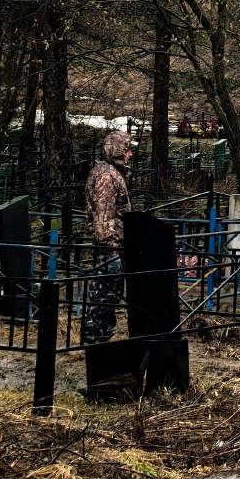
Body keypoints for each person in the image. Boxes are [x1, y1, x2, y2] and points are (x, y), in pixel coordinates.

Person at [82, 129, 133, 343]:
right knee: (103, 294)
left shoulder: (111, 172)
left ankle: (102, 337)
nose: (130, 154)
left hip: (113, 243)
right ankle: (95, 337)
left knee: (109, 295)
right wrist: (109, 244)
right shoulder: (106, 175)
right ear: (117, 150)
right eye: (127, 149)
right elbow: (104, 214)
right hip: (109, 245)